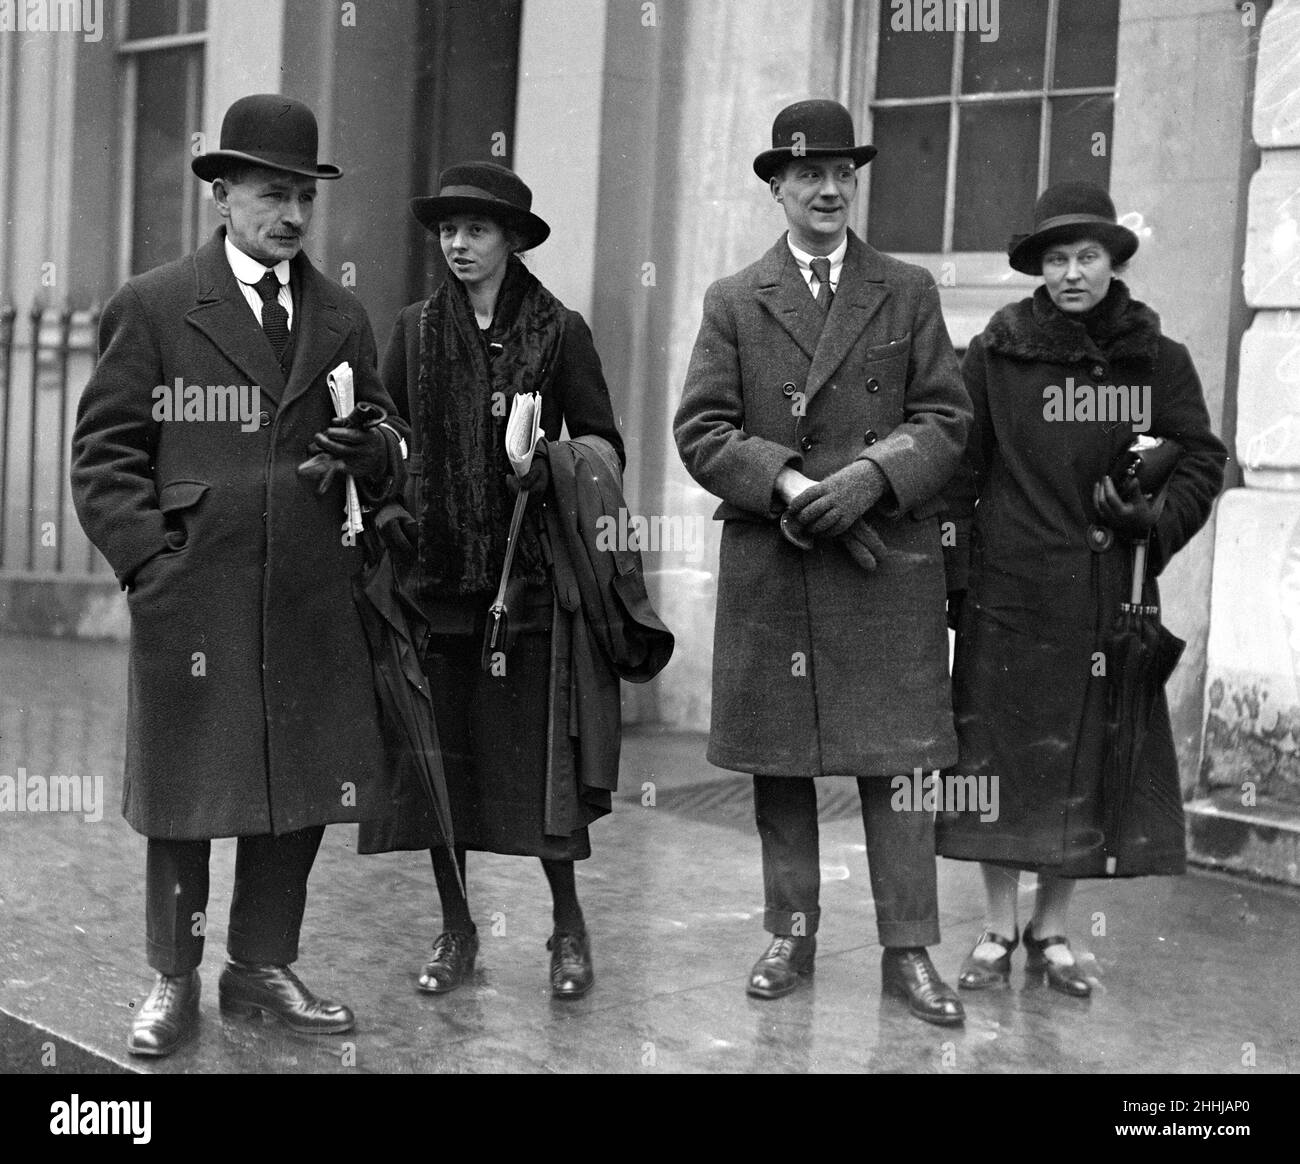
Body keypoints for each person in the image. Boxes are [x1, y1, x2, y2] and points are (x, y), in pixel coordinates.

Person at [70, 94, 409, 1056]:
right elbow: (104, 457)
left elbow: (387, 438)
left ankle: (260, 967)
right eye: (271, 193)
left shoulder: (341, 314)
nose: (291, 214)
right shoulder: (157, 304)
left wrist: (373, 449)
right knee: (185, 800)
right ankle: (172, 979)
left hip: (309, 595)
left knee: (294, 793)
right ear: (223, 195)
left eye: (303, 195)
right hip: (197, 597)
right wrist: (151, 567)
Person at [673, 100, 972, 1025]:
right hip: (782, 560)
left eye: (842, 172)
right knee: (782, 762)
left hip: (888, 562)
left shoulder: (907, 288)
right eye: (809, 174)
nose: (829, 189)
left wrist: (875, 476)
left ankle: (910, 949)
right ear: (776, 186)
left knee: (899, 764)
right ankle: (792, 931)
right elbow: (701, 430)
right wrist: (795, 486)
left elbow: (947, 420)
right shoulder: (735, 298)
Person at [937, 181, 1228, 997]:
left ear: (1112, 261)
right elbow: (960, 473)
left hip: (1107, 588)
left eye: (1088, 256)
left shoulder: (1155, 358)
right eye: (1057, 258)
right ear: (1039, 267)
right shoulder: (996, 352)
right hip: (1010, 592)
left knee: (1081, 762)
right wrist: (959, 582)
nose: (1072, 273)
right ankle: (996, 928)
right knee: (998, 761)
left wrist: (1153, 519)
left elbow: (1202, 457)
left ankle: (1053, 930)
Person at [358, 161, 627, 999]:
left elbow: (606, 444)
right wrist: (390, 501)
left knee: (539, 766)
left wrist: (547, 465)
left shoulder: (560, 332)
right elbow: (387, 436)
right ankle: (457, 929)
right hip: (435, 582)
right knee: (446, 769)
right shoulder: (414, 329)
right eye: (448, 230)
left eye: (477, 230)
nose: (459, 244)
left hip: (528, 586)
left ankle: (567, 930)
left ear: (512, 239)